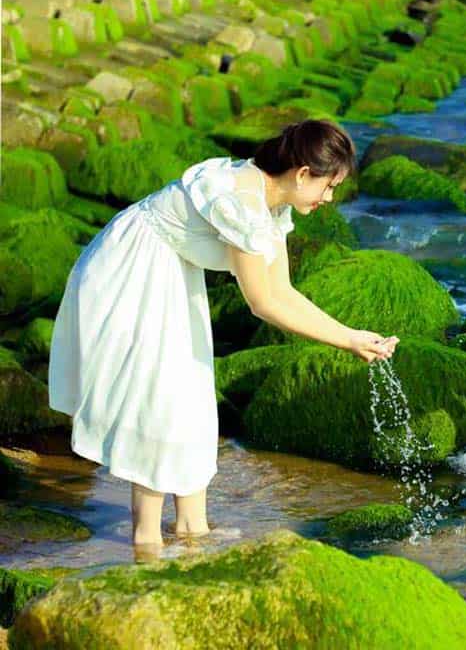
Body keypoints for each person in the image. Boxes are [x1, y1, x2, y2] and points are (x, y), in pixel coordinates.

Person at [47, 119, 399, 556]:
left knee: (191, 391)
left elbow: (284, 291)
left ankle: (192, 530)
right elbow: (263, 303)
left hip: (171, 266)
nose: (329, 199)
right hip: (131, 268)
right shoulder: (242, 202)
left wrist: (351, 335)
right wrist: (345, 342)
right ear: (303, 173)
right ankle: (146, 540)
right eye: (329, 187)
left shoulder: (273, 205)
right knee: (157, 400)